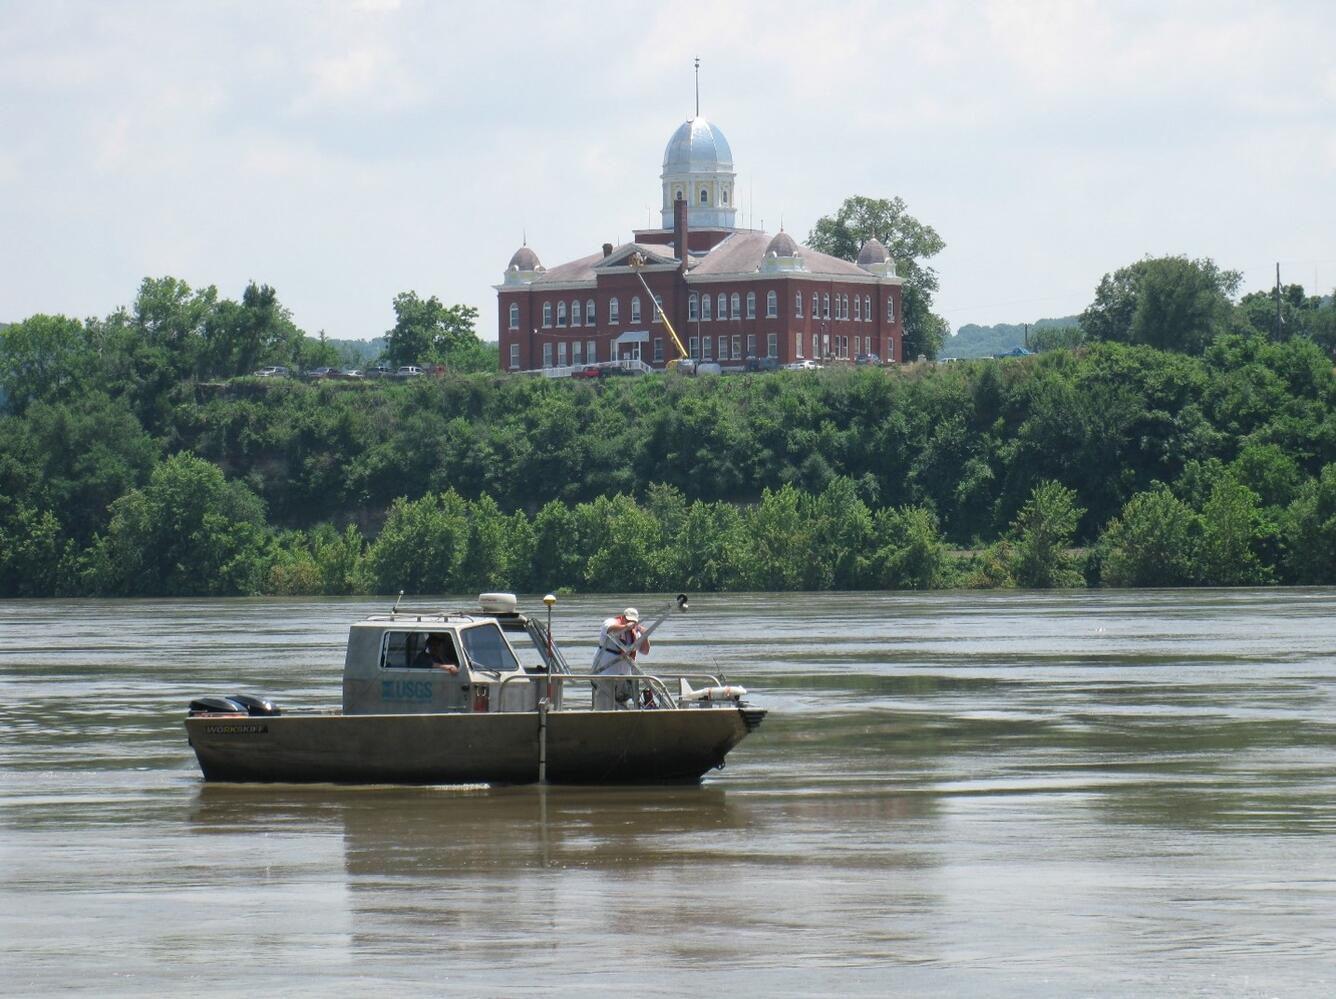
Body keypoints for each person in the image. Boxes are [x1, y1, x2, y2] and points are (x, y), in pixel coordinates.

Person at [592, 608, 650, 708]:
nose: (630, 623)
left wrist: (645, 635)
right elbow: (610, 629)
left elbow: (645, 651)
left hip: (623, 678)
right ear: (623, 617)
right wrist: (625, 627)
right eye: (628, 620)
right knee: (604, 706)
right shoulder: (611, 622)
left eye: (633, 621)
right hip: (605, 675)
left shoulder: (635, 633)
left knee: (621, 706)